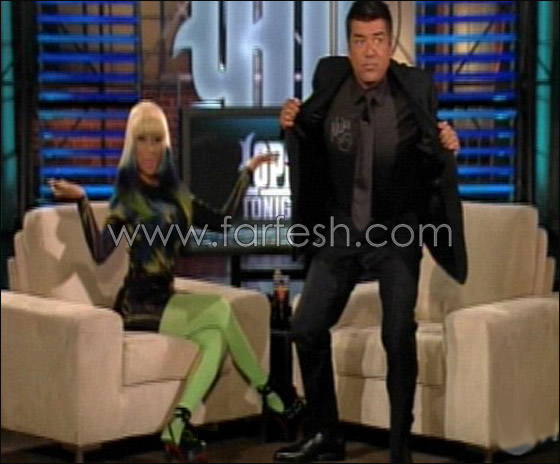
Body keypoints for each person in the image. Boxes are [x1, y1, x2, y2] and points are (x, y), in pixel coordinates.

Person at [274, 1, 467, 463]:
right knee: (305, 326)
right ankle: (327, 434)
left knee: (397, 333)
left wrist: (449, 149)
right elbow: (309, 137)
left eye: (378, 40)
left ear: (390, 42)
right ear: (349, 46)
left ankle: (400, 446)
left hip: (397, 230)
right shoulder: (329, 78)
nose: (370, 52)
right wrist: (289, 126)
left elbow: (432, 151)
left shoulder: (415, 87)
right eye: (360, 41)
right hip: (342, 226)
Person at [49, 100, 286, 463]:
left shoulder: (177, 194)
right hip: (138, 306)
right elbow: (99, 251)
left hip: (166, 298)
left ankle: (177, 424)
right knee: (220, 309)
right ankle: (272, 394)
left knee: (214, 339)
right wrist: (82, 200)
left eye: (156, 140)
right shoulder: (127, 197)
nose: (149, 149)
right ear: (132, 145)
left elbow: (222, 222)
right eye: (142, 140)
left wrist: (247, 171)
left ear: (165, 145)